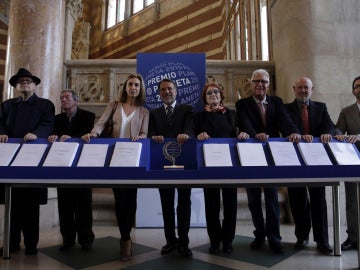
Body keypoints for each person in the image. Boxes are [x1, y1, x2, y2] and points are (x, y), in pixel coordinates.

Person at [81, 74, 149, 261]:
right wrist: (93, 134)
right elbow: (101, 123)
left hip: (133, 159)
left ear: (140, 88)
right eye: (130, 84)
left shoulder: (144, 111)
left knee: (131, 199)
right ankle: (124, 237)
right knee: (119, 199)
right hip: (115, 157)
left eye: (136, 85)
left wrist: (140, 138)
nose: (133, 87)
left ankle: (126, 238)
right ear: (125, 87)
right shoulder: (114, 105)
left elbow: (144, 133)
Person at [235, 69, 301, 254]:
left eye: (264, 82)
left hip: (272, 157)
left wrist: (293, 132)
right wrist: (256, 135)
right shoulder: (242, 104)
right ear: (250, 83)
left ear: (268, 85)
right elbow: (244, 123)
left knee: (271, 198)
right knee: (254, 198)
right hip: (251, 156)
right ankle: (259, 234)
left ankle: (274, 238)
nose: (260, 85)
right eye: (256, 81)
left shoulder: (276, 102)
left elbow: (285, 121)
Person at [0, 68, 55, 255]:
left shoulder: (45, 105)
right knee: (12, 204)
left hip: (34, 160)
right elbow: (0, 124)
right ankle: (11, 243)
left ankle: (31, 245)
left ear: (34, 85)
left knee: (31, 207)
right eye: (21, 81)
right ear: (16, 86)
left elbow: (48, 124)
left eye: (28, 80)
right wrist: (1, 134)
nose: (24, 83)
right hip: (10, 161)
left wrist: (37, 134)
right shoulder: (7, 105)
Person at [194, 83, 249, 254]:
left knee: (230, 204)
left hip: (229, 166)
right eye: (209, 93)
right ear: (205, 97)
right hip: (209, 165)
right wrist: (198, 135)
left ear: (221, 95)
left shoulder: (231, 114)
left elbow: (240, 131)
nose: (213, 95)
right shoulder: (199, 116)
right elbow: (193, 133)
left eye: (216, 92)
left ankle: (228, 240)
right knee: (212, 205)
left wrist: (242, 134)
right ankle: (215, 241)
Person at [285, 77, 334, 254]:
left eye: (306, 88)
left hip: (316, 161)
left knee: (319, 202)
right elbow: (286, 125)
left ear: (312, 90)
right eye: (299, 88)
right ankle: (302, 237)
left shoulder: (321, 107)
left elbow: (330, 126)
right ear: (294, 89)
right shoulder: (286, 108)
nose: (303, 91)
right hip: (294, 160)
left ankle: (322, 241)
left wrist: (327, 133)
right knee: (298, 201)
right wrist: (297, 134)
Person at [148, 78, 194, 258]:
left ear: (176, 91)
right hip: (163, 164)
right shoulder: (154, 113)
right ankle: (170, 241)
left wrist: (187, 134)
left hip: (185, 163)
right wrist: (154, 137)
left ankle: (184, 242)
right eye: (163, 89)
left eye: (170, 89)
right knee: (166, 204)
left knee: (184, 204)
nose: (167, 92)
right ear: (159, 93)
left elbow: (191, 129)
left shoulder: (187, 109)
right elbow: (151, 133)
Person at [48, 89, 95, 252]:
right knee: (64, 205)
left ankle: (86, 239)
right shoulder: (56, 119)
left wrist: (71, 137)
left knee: (83, 205)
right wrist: (52, 137)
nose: (63, 100)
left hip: (82, 166)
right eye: (61, 98)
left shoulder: (88, 116)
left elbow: (88, 136)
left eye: (67, 97)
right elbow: (52, 135)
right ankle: (68, 240)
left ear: (76, 101)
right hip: (62, 167)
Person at [334, 75, 360, 251]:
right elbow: (338, 128)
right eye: (358, 86)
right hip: (352, 160)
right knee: (352, 202)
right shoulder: (346, 111)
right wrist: (340, 135)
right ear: (353, 91)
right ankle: (353, 237)